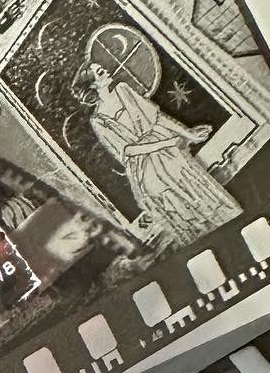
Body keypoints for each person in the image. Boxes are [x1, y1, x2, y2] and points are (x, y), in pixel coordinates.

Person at [71, 59, 242, 248]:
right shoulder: (98, 120)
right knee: (177, 205)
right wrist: (167, 143)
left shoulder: (123, 90)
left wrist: (189, 134)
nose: (106, 70)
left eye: (102, 68)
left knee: (197, 190)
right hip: (145, 167)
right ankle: (206, 243)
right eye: (100, 72)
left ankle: (233, 226)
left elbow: (157, 118)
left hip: (168, 152)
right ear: (92, 85)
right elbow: (128, 151)